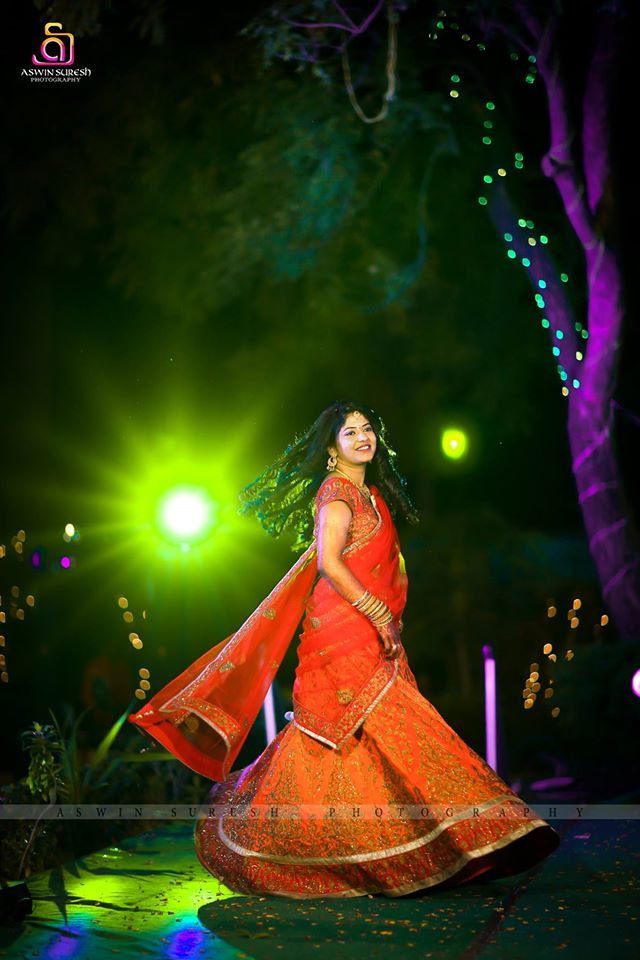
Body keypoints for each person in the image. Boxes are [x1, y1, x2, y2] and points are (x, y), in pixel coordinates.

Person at [128, 400, 560, 898]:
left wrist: (384, 620)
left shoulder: (372, 496)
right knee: (386, 728)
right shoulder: (336, 494)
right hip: (342, 636)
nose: (362, 437)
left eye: (367, 428)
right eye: (349, 431)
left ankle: (391, 848)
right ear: (332, 449)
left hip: (370, 631)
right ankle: (474, 832)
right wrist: (378, 614)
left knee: (366, 743)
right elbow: (331, 563)